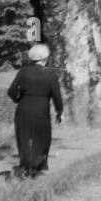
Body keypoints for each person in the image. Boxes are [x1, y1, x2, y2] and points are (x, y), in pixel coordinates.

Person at [6, 44, 62, 177]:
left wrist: (18, 99)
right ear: (45, 58)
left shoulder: (23, 71)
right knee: (42, 138)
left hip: (23, 109)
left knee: (24, 138)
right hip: (41, 110)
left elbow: (11, 91)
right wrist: (59, 111)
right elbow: (57, 96)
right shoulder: (50, 74)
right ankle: (38, 167)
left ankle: (25, 166)